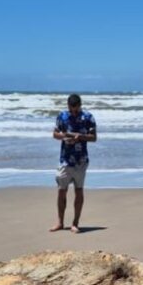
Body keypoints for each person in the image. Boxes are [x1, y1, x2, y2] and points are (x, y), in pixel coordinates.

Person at [50, 94, 97, 234]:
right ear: (68, 106)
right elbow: (55, 134)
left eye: (76, 110)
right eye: (71, 110)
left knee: (78, 190)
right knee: (61, 191)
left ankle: (75, 223)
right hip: (65, 160)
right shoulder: (62, 116)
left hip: (80, 160)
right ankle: (60, 222)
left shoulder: (88, 117)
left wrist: (80, 137)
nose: (73, 112)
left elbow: (94, 137)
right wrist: (65, 136)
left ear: (80, 106)